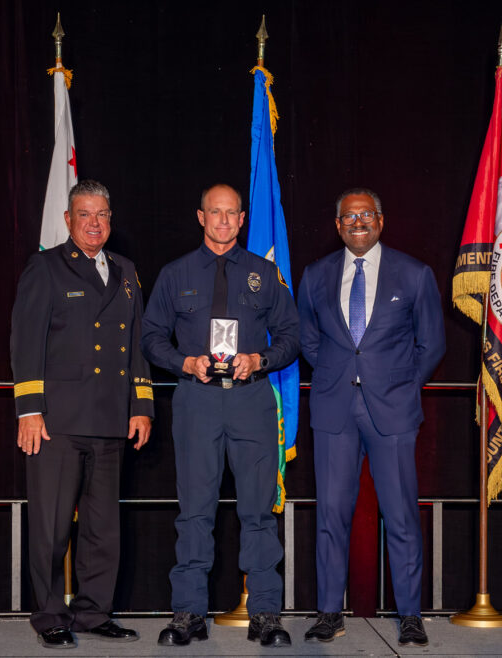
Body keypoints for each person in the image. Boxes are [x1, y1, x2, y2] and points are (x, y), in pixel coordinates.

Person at [141, 184, 300, 648]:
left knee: (258, 512)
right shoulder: (175, 274)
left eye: (232, 213)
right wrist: (184, 362)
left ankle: (265, 613)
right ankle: (189, 613)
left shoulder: (264, 274)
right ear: (201, 216)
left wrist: (261, 360)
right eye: (216, 212)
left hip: (251, 401)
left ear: (243, 218)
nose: (224, 221)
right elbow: (151, 337)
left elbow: (292, 336)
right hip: (197, 400)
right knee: (194, 511)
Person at [296, 188, 445, 646]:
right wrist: (340, 376)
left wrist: (398, 384)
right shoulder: (315, 275)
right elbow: (309, 340)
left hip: (393, 412)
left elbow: (432, 345)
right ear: (337, 225)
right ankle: (328, 613)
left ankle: (410, 616)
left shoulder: (415, 274)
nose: (358, 222)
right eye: (349, 217)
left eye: (366, 215)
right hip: (334, 409)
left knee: (400, 516)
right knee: (332, 516)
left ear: (381, 220)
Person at [11, 179, 154, 649]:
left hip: (111, 420)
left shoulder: (127, 270)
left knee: (102, 529)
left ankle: (94, 613)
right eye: (85, 215)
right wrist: (29, 410)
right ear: (68, 220)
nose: (94, 223)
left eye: (102, 215)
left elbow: (135, 345)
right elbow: (25, 343)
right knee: (51, 530)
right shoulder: (46, 268)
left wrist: (142, 407)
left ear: (111, 220)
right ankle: (51, 615)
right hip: (58, 423)